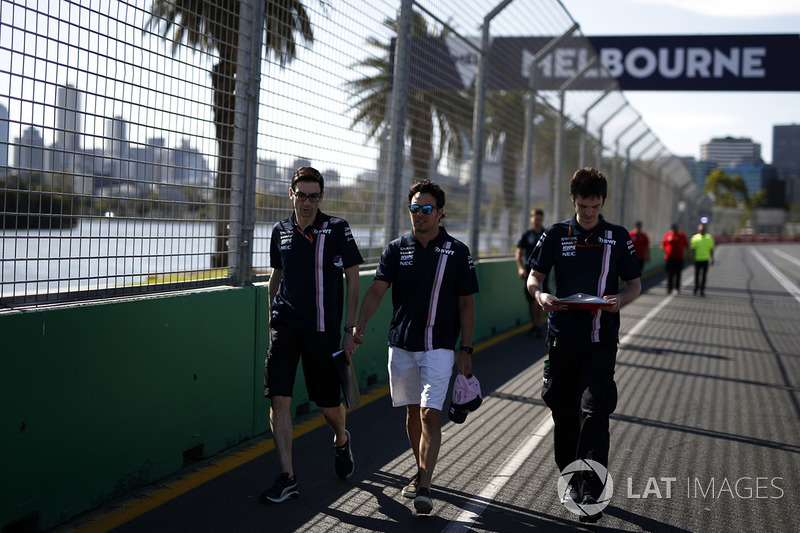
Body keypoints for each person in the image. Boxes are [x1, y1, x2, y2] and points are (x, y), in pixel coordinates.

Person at [355, 180, 478, 515]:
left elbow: (466, 304)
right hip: (401, 344)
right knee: (412, 412)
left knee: (430, 413)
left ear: (440, 213)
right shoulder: (397, 249)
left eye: (426, 209)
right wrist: (360, 322)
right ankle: (421, 468)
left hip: (439, 346)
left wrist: (465, 348)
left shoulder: (457, 251)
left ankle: (425, 485)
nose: (420, 215)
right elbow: (377, 290)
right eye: (414, 208)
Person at [526, 167, 641, 523]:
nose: (589, 212)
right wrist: (540, 295)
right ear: (573, 200)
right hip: (561, 338)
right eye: (582, 205)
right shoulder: (556, 234)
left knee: (595, 410)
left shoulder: (618, 237)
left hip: (600, 340)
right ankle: (572, 475)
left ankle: (592, 486)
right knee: (563, 411)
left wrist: (620, 299)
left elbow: (634, 284)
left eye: (594, 205)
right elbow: (535, 276)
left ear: (602, 202)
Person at [260, 167, 364, 504]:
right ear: (291, 194)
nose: (307, 202)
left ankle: (341, 440)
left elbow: (353, 279)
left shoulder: (337, 229)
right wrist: (272, 317)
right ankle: (287, 476)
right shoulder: (280, 231)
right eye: (301, 195)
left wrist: (350, 329)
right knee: (279, 400)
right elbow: (277, 276)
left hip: (322, 332)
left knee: (328, 406)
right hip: (285, 328)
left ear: (322, 197)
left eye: (313, 196)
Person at [516, 209, 549, 338]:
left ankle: (539, 326)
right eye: (535, 219)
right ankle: (534, 324)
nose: (537, 222)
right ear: (531, 219)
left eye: (540, 219)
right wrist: (520, 268)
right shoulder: (527, 235)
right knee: (531, 300)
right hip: (529, 273)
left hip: (543, 273)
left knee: (541, 299)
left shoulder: (546, 234)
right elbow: (519, 252)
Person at [661, 223, 690, 294]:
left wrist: (689, 255)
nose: (674, 230)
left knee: (678, 273)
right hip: (670, 258)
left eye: (675, 228)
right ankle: (669, 288)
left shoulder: (682, 235)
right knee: (669, 273)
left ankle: (677, 287)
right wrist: (665, 250)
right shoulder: (668, 235)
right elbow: (663, 244)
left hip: (679, 258)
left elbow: (687, 245)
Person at [690, 223, 715, 296]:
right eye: (700, 229)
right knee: (697, 275)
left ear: (705, 230)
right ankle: (696, 288)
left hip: (705, 259)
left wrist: (712, 258)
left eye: (702, 229)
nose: (701, 231)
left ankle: (702, 290)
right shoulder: (695, 238)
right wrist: (692, 259)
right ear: (698, 230)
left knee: (704, 276)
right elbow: (693, 249)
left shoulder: (709, 238)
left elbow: (711, 249)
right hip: (697, 259)